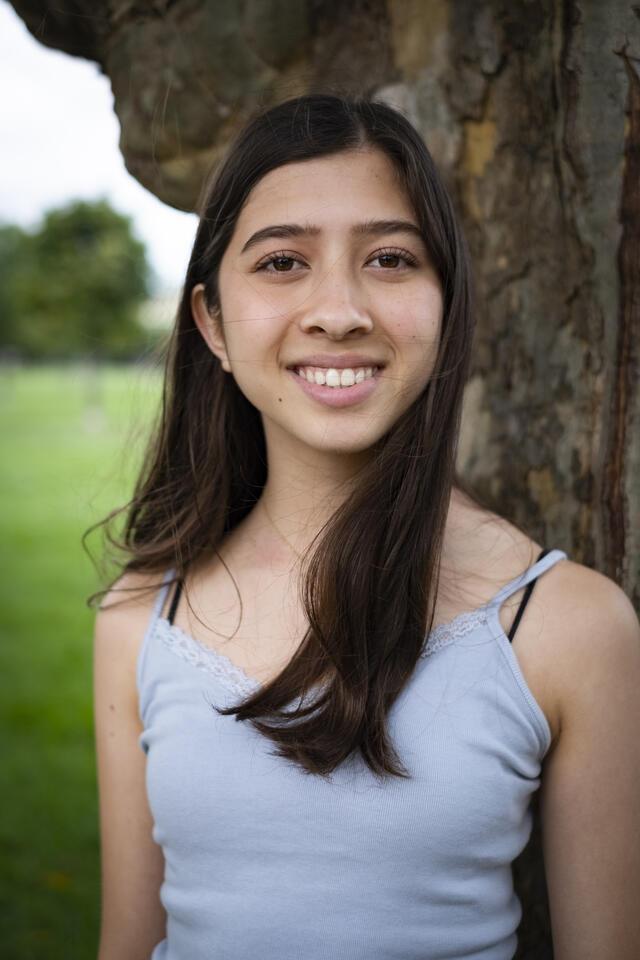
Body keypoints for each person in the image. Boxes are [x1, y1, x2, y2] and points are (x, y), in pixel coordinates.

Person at [91, 94, 640, 960]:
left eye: (389, 257)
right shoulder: (138, 620)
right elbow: (126, 940)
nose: (339, 310)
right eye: (282, 263)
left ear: (446, 303)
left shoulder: (567, 626)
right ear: (213, 324)